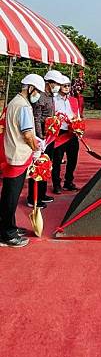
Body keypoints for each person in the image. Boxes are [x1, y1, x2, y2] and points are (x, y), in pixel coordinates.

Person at [0, 74, 46, 247]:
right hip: (18, 157)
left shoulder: (14, 102)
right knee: (11, 197)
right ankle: (7, 234)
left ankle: (7, 226)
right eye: (38, 91)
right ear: (31, 88)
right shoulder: (24, 106)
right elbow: (27, 135)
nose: (38, 95)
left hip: (11, 154)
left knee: (8, 195)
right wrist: (36, 148)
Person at [30, 69, 65, 205]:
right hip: (41, 138)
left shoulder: (50, 96)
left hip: (49, 136)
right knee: (38, 166)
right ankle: (33, 198)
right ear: (49, 83)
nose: (58, 86)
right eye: (56, 83)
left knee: (46, 166)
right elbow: (37, 118)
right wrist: (40, 138)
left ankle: (42, 193)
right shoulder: (40, 97)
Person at [50, 75, 81, 193]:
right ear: (59, 86)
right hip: (59, 133)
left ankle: (68, 181)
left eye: (68, 85)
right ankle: (56, 184)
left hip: (72, 133)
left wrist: (79, 127)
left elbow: (77, 115)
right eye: (64, 85)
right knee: (57, 160)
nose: (67, 87)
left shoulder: (73, 100)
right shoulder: (54, 100)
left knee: (73, 159)